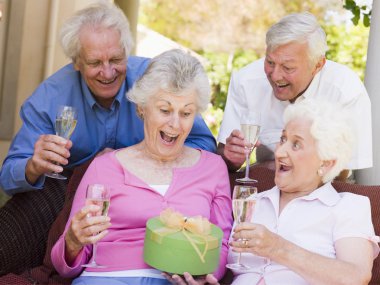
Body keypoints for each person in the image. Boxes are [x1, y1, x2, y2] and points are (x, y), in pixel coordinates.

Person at [0, 1, 215, 277]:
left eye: (116, 59)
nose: (108, 71)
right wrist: (33, 165)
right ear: (76, 62)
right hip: (63, 194)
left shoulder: (155, 82)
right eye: (94, 63)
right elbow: (8, 176)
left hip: (145, 193)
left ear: (127, 51)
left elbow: (203, 145)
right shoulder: (50, 97)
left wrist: (137, 159)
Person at [50, 49, 232, 285]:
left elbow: (222, 244)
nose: (175, 124)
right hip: (107, 279)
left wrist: (204, 275)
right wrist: (74, 241)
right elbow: (66, 264)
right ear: (141, 108)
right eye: (165, 110)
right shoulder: (104, 168)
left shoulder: (213, 168)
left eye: (186, 113)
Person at [171, 99, 379, 285]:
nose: (279, 152)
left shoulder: (347, 206)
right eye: (282, 139)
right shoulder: (251, 202)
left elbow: (355, 277)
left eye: (295, 144)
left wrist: (277, 247)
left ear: (325, 163)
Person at [217, 12, 372, 179]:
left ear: (318, 65)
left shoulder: (345, 89)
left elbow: (344, 172)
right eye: (270, 62)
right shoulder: (246, 81)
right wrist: (230, 157)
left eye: (288, 67)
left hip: (328, 189)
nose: (275, 76)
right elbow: (223, 160)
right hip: (266, 183)